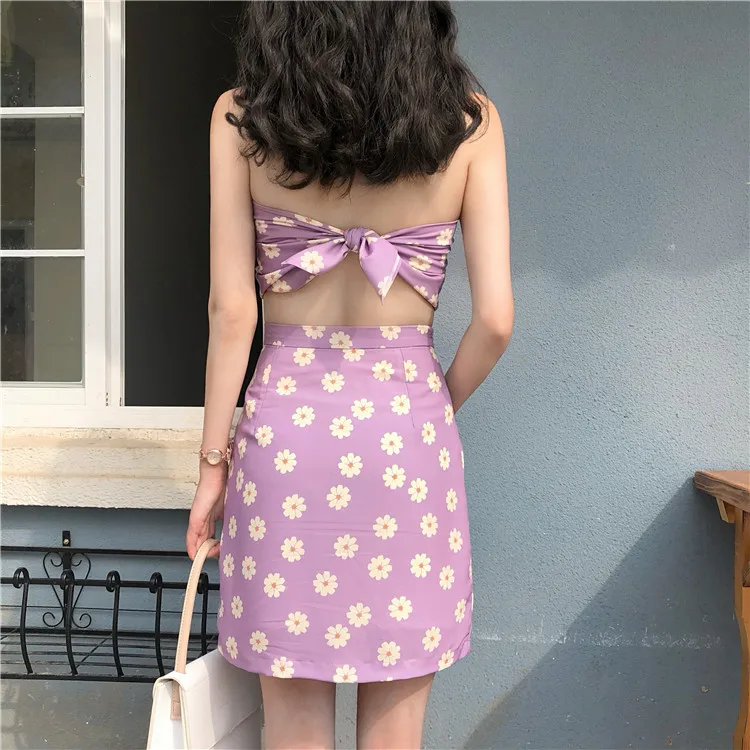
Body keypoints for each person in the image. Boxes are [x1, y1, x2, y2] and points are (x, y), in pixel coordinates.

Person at [186, 2, 512, 747]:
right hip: (407, 440)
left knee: (292, 724)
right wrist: (434, 405)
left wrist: (211, 467)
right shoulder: (471, 124)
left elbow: (232, 313)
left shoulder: (241, 119)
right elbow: (496, 320)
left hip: (285, 445)